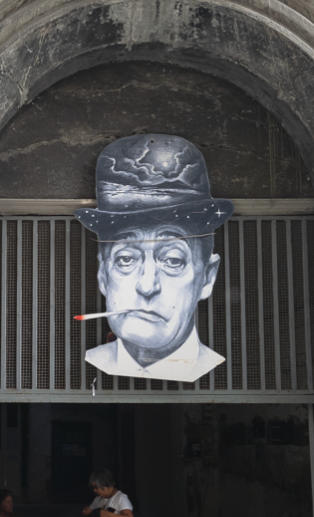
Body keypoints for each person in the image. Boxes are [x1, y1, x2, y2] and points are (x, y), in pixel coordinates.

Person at [75, 133, 234, 383]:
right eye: (126, 259)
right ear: (103, 275)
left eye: (172, 260)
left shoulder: (228, 376)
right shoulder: (81, 369)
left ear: (207, 277)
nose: (147, 286)